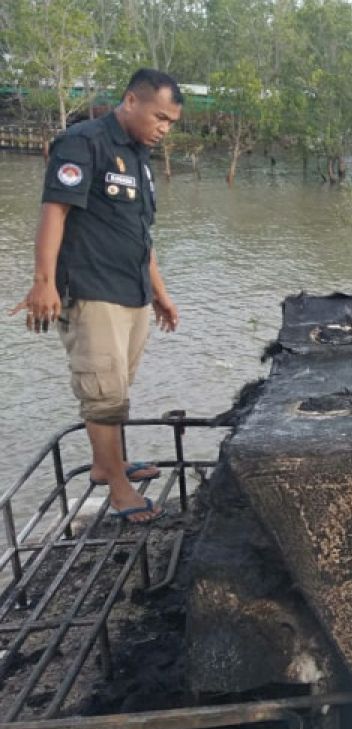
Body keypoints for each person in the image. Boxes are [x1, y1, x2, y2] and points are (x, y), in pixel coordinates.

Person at [11, 68, 183, 523]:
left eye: (171, 122)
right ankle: (119, 489)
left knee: (116, 389)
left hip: (131, 292)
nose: (164, 128)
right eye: (160, 117)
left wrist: (160, 293)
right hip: (92, 290)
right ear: (131, 101)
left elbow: (138, 234)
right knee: (102, 391)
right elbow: (55, 211)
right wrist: (44, 281)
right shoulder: (83, 142)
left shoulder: (139, 159)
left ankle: (112, 464)